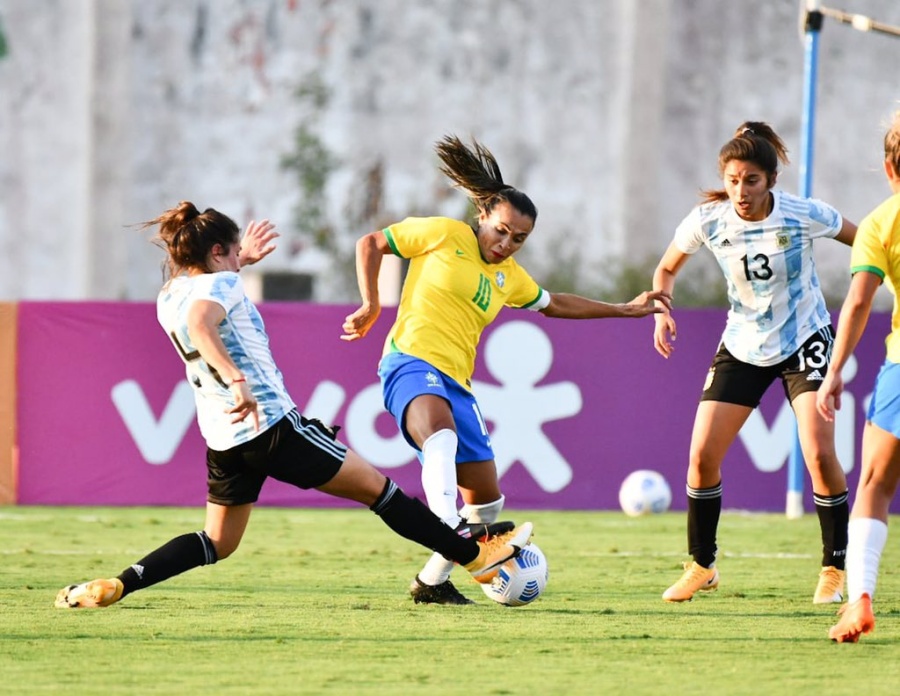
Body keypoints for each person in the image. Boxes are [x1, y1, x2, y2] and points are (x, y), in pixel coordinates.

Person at [54, 201, 533, 609]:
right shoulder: (218, 288)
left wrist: (240, 262)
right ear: (217, 252)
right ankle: (477, 559)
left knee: (216, 543)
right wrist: (238, 380)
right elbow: (204, 321)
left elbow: (202, 298)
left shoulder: (170, 293)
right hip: (271, 425)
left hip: (225, 438)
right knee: (382, 494)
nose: (240, 256)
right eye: (234, 249)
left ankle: (120, 583)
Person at [341, 135, 673, 605]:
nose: (506, 243)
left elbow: (554, 303)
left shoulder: (509, 276)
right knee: (441, 436)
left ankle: (431, 582)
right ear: (483, 217)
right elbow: (371, 242)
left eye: (519, 238)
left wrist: (625, 309)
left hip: (457, 381)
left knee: (488, 502)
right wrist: (372, 302)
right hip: (409, 361)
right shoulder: (443, 233)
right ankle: (445, 520)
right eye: (501, 230)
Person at [651, 121, 857, 603]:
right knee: (701, 457)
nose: (740, 192)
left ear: (771, 181)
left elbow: (866, 242)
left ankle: (835, 567)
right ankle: (702, 565)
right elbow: (666, 268)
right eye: (733, 180)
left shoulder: (802, 214)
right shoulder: (708, 219)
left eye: (751, 181)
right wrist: (662, 311)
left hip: (805, 337)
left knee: (819, 454)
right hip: (743, 343)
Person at [818, 110, 900, 643]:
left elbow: (856, 305)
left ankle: (859, 600)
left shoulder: (880, 223)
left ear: (890, 169)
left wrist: (833, 373)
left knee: (874, 483)